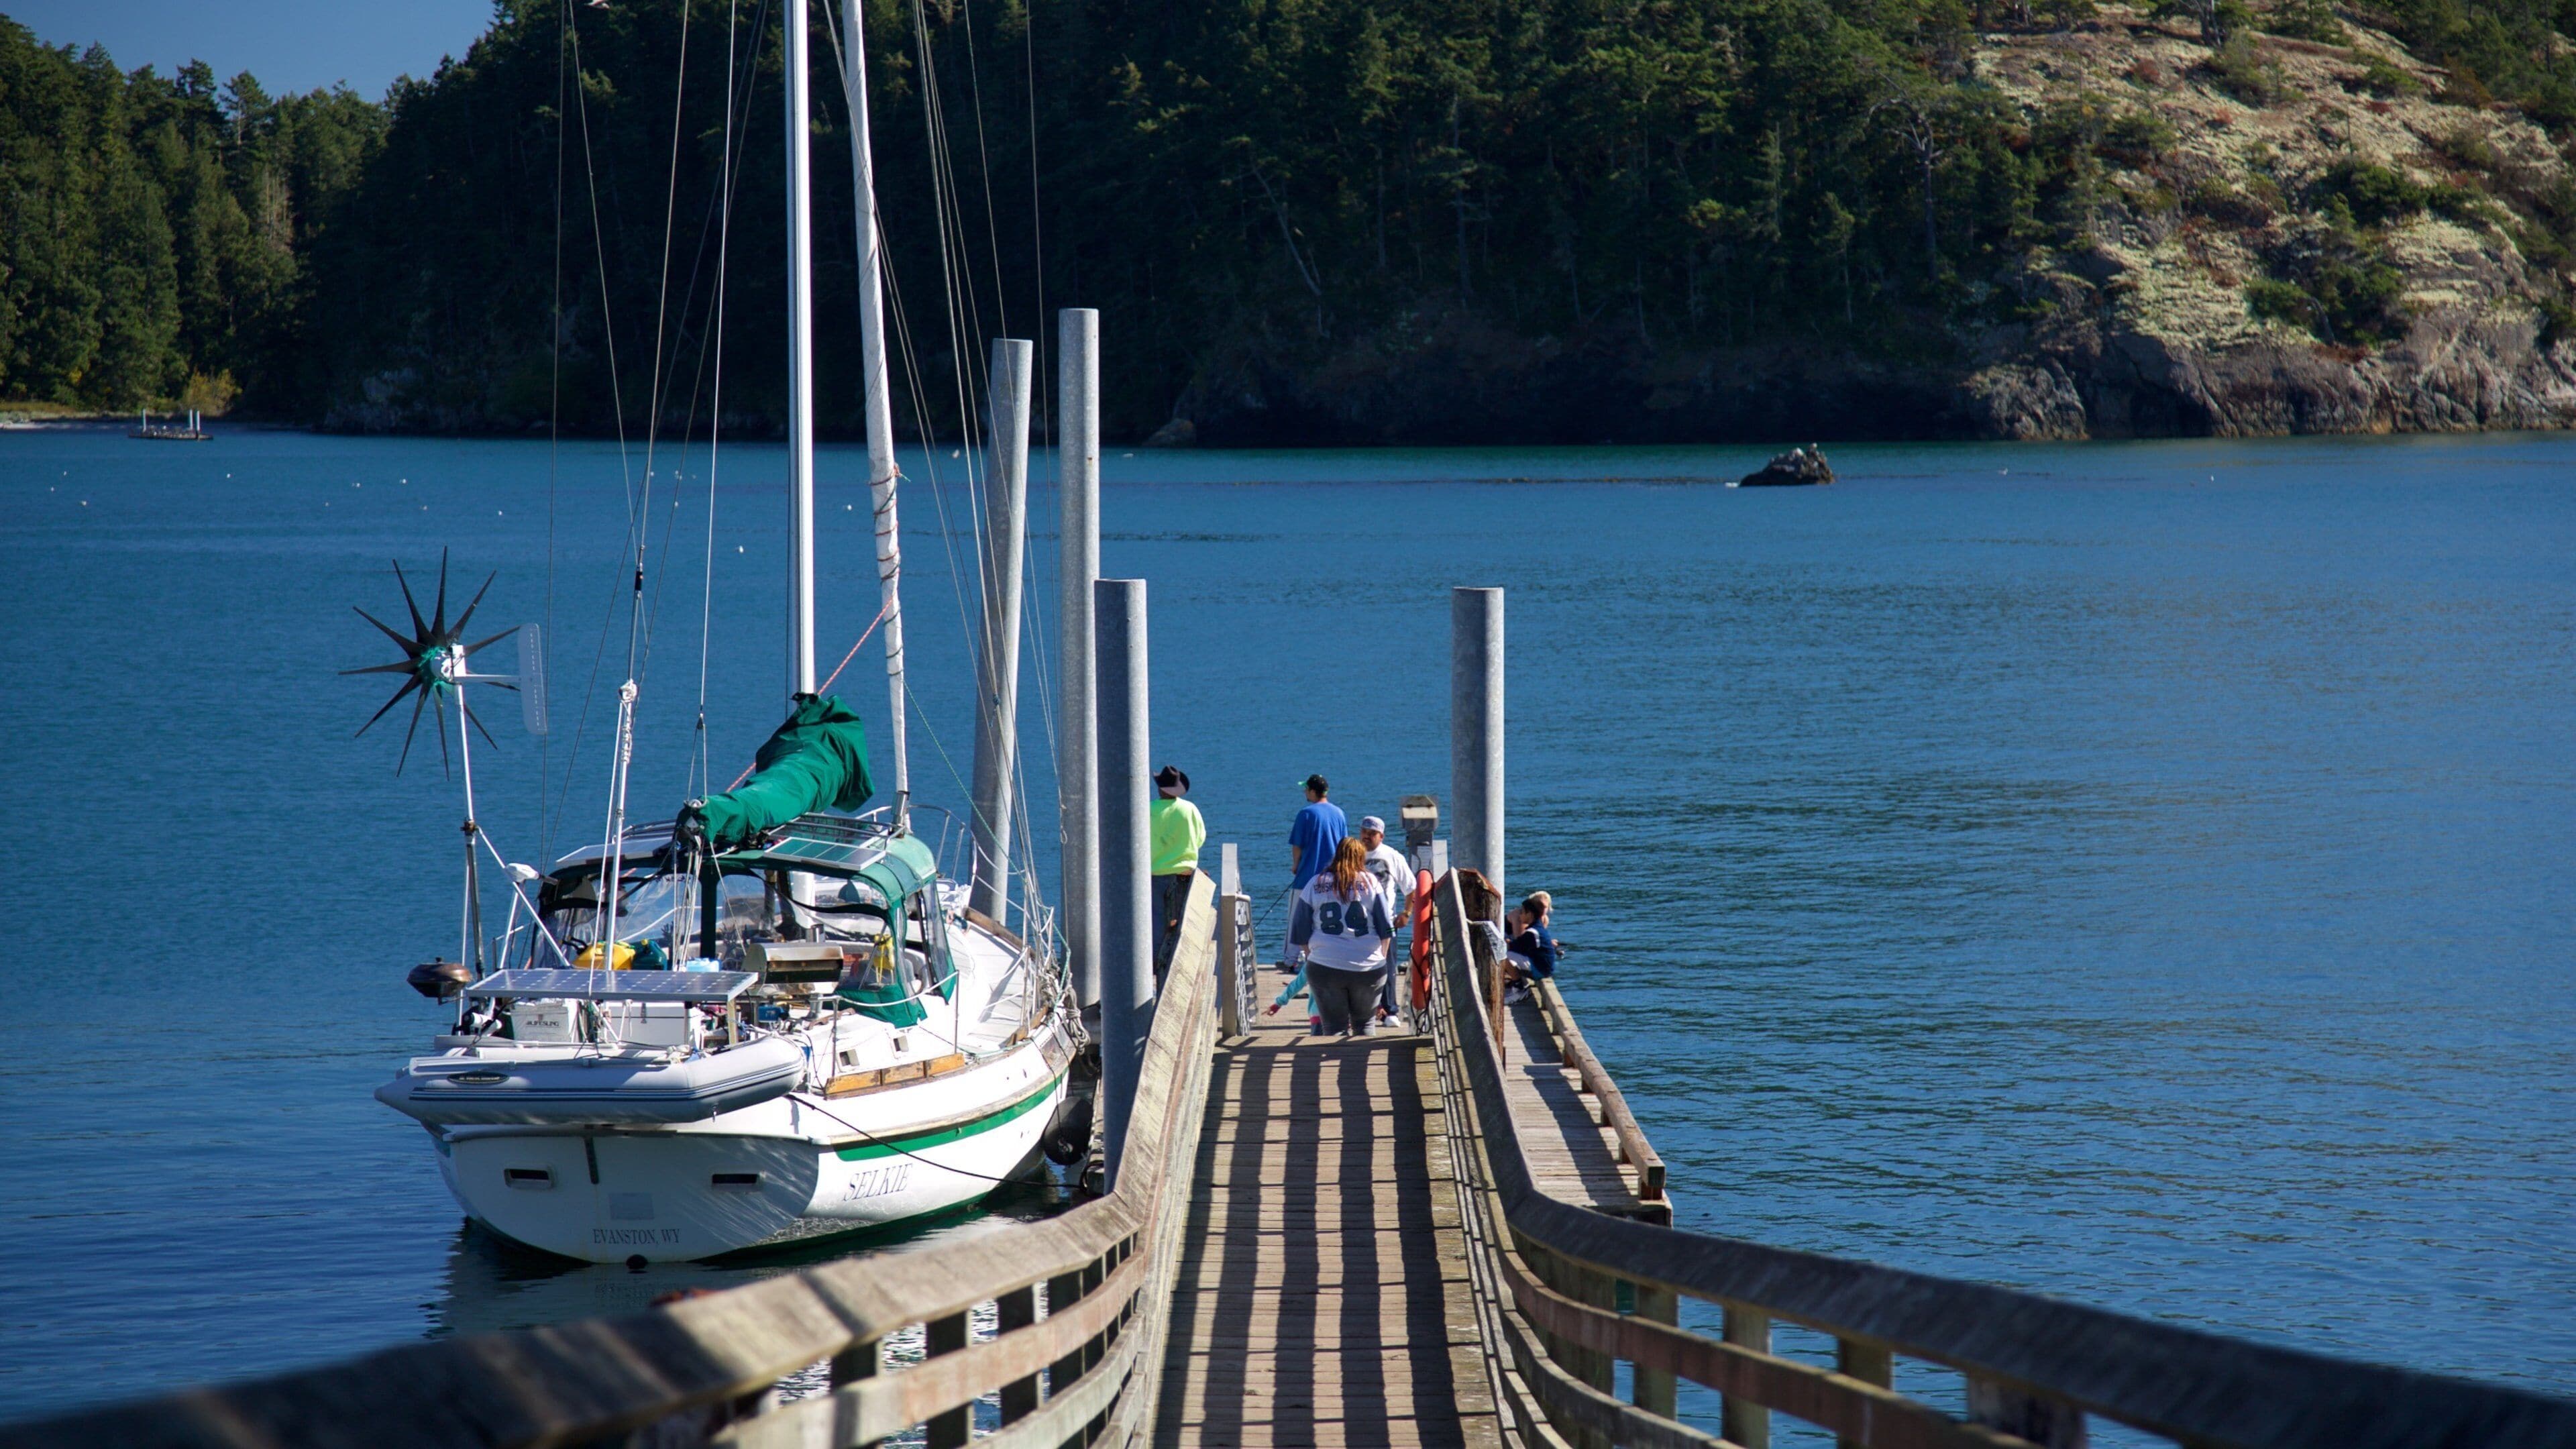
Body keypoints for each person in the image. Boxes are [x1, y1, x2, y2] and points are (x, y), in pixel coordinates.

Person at [1285, 837, 1395, 1036]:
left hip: (1325, 968)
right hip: (1368, 967)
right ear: (1360, 857)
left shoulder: (1315, 883)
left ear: (1337, 855)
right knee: (1365, 1026)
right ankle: (1363, 1064)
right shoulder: (1372, 883)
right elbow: (1386, 928)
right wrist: (1381, 957)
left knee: (1333, 1028)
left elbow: (1300, 930)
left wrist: (1313, 957)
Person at [1283, 774, 1346, 969]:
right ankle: (1328, 958)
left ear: (1312, 791)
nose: (1304, 792)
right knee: (1326, 919)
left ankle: (1291, 959)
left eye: (1306, 789)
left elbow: (1297, 845)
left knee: (1297, 918)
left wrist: (1296, 865)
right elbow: (1344, 845)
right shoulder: (1339, 813)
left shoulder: (1306, 814)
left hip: (1307, 877)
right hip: (1334, 878)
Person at [1149, 764, 1205, 977]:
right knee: (1182, 923)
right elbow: (1200, 839)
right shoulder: (1190, 809)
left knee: (1156, 924)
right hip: (1185, 875)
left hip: (1154, 875)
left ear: (1159, 788)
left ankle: (1155, 970)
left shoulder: (1147, 810)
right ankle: (1180, 970)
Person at [1356, 816, 1412, 1025]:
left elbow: (1411, 887)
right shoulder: (1353, 855)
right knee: (1358, 967)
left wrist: (1406, 913)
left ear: (1382, 836)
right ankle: (1363, 1009)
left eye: (1372, 833)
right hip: (1357, 922)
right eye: (1364, 832)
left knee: (1387, 966)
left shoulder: (1392, 856)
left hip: (1386, 921)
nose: (1367, 837)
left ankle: (1390, 1010)